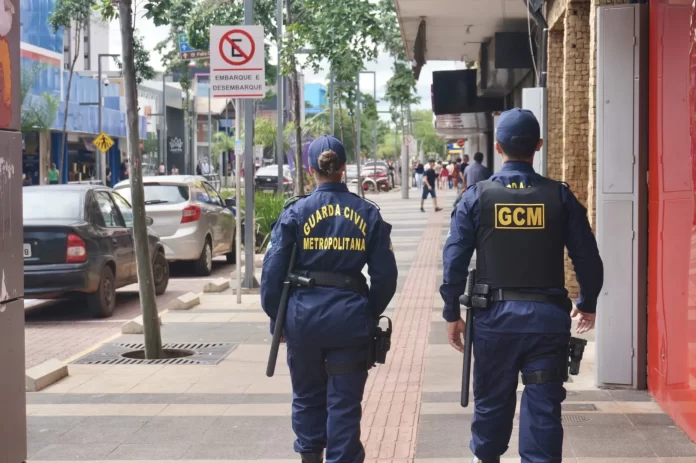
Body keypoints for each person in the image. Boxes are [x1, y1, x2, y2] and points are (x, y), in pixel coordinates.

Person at [440, 108, 604, 463]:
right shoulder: (559, 197)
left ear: (498, 147)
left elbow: (454, 260)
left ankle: (485, 457)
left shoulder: (477, 197)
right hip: (546, 323)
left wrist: (452, 312)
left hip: (493, 322)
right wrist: (587, 302)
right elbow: (588, 257)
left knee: (491, 402)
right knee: (544, 409)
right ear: (538, 146)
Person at [261, 135, 398, 463]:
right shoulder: (367, 213)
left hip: (303, 319)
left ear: (311, 170)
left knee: (307, 397)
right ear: (344, 168)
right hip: (350, 320)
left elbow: (272, 273)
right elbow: (385, 277)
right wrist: (368, 312)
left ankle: (310, 457)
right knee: (344, 405)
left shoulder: (295, 212)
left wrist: (278, 317)